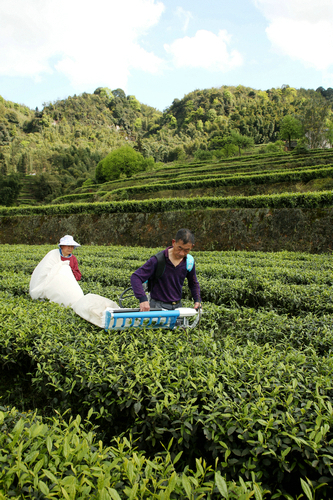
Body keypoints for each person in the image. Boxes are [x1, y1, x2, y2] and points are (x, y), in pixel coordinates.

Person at [131, 228, 201, 312]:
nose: (182, 253)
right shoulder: (158, 260)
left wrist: (197, 300)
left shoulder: (189, 261)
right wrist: (143, 299)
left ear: (192, 247)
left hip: (178, 307)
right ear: (173, 242)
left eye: (186, 250)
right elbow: (136, 277)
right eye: (179, 248)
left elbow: (193, 283)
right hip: (158, 306)